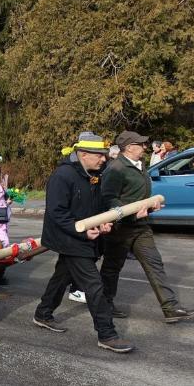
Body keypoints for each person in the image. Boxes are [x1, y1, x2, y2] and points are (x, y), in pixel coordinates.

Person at [32, 131, 134, 354]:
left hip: (85, 236)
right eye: (99, 155)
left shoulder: (95, 173)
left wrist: (107, 222)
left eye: (104, 155)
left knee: (62, 277)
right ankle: (107, 334)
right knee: (94, 286)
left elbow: (99, 205)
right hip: (69, 238)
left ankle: (42, 313)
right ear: (83, 154)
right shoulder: (62, 176)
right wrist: (82, 232)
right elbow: (57, 213)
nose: (104, 159)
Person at [100, 130, 194, 324]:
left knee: (155, 264)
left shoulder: (140, 164)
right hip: (121, 228)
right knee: (112, 268)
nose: (145, 147)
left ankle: (171, 308)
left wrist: (150, 205)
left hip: (141, 226)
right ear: (128, 147)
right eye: (141, 144)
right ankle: (104, 305)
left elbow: (137, 194)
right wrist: (130, 213)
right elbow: (108, 199)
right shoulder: (116, 168)